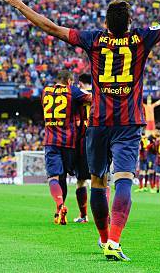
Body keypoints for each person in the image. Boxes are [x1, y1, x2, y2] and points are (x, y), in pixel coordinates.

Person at [0, 0, 160, 261]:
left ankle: (104, 239)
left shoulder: (94, 40)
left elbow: (50, 26)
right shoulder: (142, 38)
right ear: (129, 22)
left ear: (105, 23)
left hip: (99, 122)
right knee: (124, 178)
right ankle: (114, 241)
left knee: (99, 182)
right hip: (129, 122)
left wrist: (20, 4)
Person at [41, 70, 91, 225]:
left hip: (51, 141)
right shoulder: (72, 91)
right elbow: (90, 99)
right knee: (80, 179)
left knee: (54, 177)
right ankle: (79, 213)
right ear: (69, 81)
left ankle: (60, 206)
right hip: (69, 143)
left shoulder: (45, 91)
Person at [74, 74, 93, 223]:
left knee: (81, 180)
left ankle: (83, 215)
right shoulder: (101, 95)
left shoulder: (76, 97)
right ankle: (105, 216)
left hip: (83, 140)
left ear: (80, 83)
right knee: (102, 179)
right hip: (101, 138)